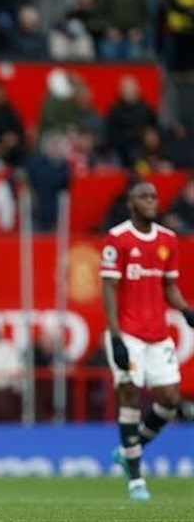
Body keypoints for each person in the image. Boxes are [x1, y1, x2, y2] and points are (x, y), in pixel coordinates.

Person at [100, 180, 194, 501]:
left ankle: (130, 449)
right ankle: (136, 480)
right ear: (131, 202)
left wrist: (185, 310)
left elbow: (169, 286)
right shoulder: (118, 238)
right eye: (144, 196)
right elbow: (109, 288)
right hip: (128, 333)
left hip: (158, 334)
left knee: (169, 399)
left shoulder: (167, 240)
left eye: (154, 196)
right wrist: (115, 337)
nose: (152, 201)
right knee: (129, 393)